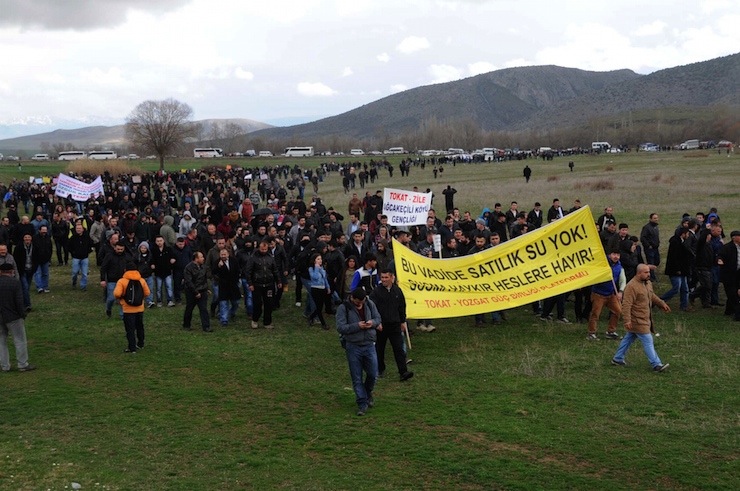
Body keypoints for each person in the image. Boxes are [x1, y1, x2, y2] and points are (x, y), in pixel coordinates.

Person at [611, 264, 671, 372]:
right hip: (637, 320)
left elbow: (651, 295)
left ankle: (617, 358)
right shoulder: (631, 286)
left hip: (644, 318)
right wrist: (627, 320)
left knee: (629, 338)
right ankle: (656, 364)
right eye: (646, 272)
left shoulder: (647, 283)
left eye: (649, 272)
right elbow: (626, 304)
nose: (649, 274)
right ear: (639, 273)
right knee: (648, 340)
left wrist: (661, 303)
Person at [336, 287, 382, 416]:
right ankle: (362, 403)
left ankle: (367, 393)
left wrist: (371, 323)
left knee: (373, 374)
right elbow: (340, 327)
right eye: (358, 302)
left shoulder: (369, 303)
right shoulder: (343, 308)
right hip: (353, 346)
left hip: (369, 344)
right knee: (356, 377)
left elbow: (378, 318)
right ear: (352, 298)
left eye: (362, 302)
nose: (360, 304)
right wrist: (357, 326)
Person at [369, 269, 414, 382]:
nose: (383, 280)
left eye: (386, 277)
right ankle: (380, 369)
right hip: (381, 326)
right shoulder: (376, 292)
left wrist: (403, 321)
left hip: (395, 325)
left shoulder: (397, 291)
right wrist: (376, 323)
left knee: (399, 349)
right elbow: (371, 308)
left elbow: (402, 307)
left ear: (392, 277)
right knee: (379, 349)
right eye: (382, 277)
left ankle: (403, 372)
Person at [0, 263, 36, 372]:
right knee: (20, 340)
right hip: (14, 317)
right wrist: (22, 314)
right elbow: (19, 301)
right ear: (11, 271)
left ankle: (5, 366)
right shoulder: (15, 283)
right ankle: (22, 364)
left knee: (1, 341)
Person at [587, 249, 625, 340]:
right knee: (595, 314)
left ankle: (611, 331)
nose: (616, 257)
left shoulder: (619, 266)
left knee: (618, 311)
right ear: (609, 255)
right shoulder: (602, 264)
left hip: (611, 294)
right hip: (598, 294)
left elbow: (623, 280)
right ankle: (591, 333)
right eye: (614, 254)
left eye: (618, 255)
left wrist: (620, 291)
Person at [113, 262, 151, 353]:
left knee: (130, 329)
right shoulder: (141, 280)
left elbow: (116, 294)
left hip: (128, 309)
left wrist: (122, 298)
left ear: (125, 270)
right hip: (139, 308)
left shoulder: (122, 281)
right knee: (140, 327)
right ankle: (141, 343)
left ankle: (132, 347)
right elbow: (147, 293)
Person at [246, 239, 281, 329]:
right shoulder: (253, 258)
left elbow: (275, 270)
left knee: (269, 304)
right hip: (257, 285)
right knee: (257, 304)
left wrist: (278, 281)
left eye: (265, 249)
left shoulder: (270, 257)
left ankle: (267, 322)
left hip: (269, 284)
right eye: (262, 249)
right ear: (259, 248)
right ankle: (255, 320)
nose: (264, 251)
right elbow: (248, 271)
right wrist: (250, 284)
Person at [182, 251, 211, 332]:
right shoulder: (188, 268)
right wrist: (196, 292)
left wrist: (207, 288)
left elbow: (204, 279)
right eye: (201, 257)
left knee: (203, 309)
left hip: (202, 291)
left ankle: (206, 326)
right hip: (191, 292)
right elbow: (189, 281)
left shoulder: (203, 267)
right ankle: (186, 325)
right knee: (189, 308)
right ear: (196, 259)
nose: (203, 258)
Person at [214, 248, 241, 327]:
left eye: (224, 254)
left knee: (236, 302)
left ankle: (231, 313)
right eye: (221, 255)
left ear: (228, 254)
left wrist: (236, 281)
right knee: (223, 304)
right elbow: (214, 272)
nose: (223, 256)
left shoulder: (234, 261)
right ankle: (224, 320)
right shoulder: (217, 262)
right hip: (223, 287)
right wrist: (219, 267)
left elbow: (237, 270)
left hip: (233, 286)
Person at [717, 230, 740, 319]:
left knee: (735, 293)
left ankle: (728, 311)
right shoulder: (727, 247)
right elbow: (720, 255)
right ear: (734, 238)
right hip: (729, 275)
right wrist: (720, 260)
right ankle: (738, 314)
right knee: (732, 294)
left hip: (738, 274)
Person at [307, 253, 331, 329]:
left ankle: (311, 317)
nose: (320, 260)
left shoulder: (322, 268)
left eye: (320, 259)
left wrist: (328, 287)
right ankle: (323, 324)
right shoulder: (311, 269)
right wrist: (317, 268)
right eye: (318, 259)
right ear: (314, 261)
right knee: (319, 307)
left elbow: (325, 278)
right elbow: (315, 277)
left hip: (322, 288)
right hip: (315, 288)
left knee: (320, 307)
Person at [640, 213, 661, 281]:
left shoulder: (656, 227)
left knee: (657, 261)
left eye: (657, 218)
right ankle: (652, 277)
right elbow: (643, 238)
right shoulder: (646, 227)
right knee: (651, 262)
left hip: (655, 248)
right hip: (650, 249)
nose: (656, 219)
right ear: (650, 219)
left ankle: (650, 273)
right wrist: (648, 245)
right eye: (654, 218)